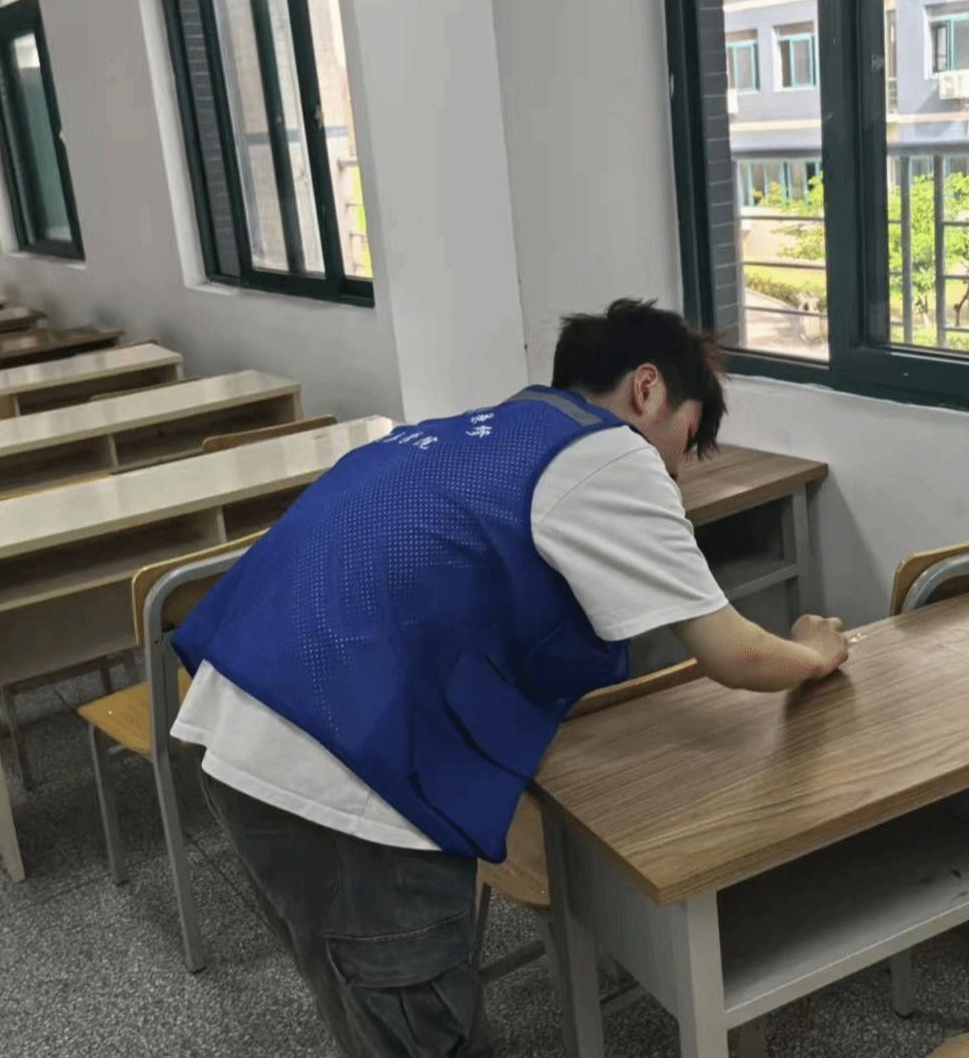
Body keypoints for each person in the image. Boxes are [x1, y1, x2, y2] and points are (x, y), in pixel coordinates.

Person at [170, 299, 850, 1056]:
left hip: (239, 730)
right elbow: (735, 654)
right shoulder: (610, 454)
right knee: (427, 1033)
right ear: (647, 388)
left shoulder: (469, 432)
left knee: (364, 1010)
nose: (674, 471)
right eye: (685, 440)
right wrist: (813, 650)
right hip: (346, 777)